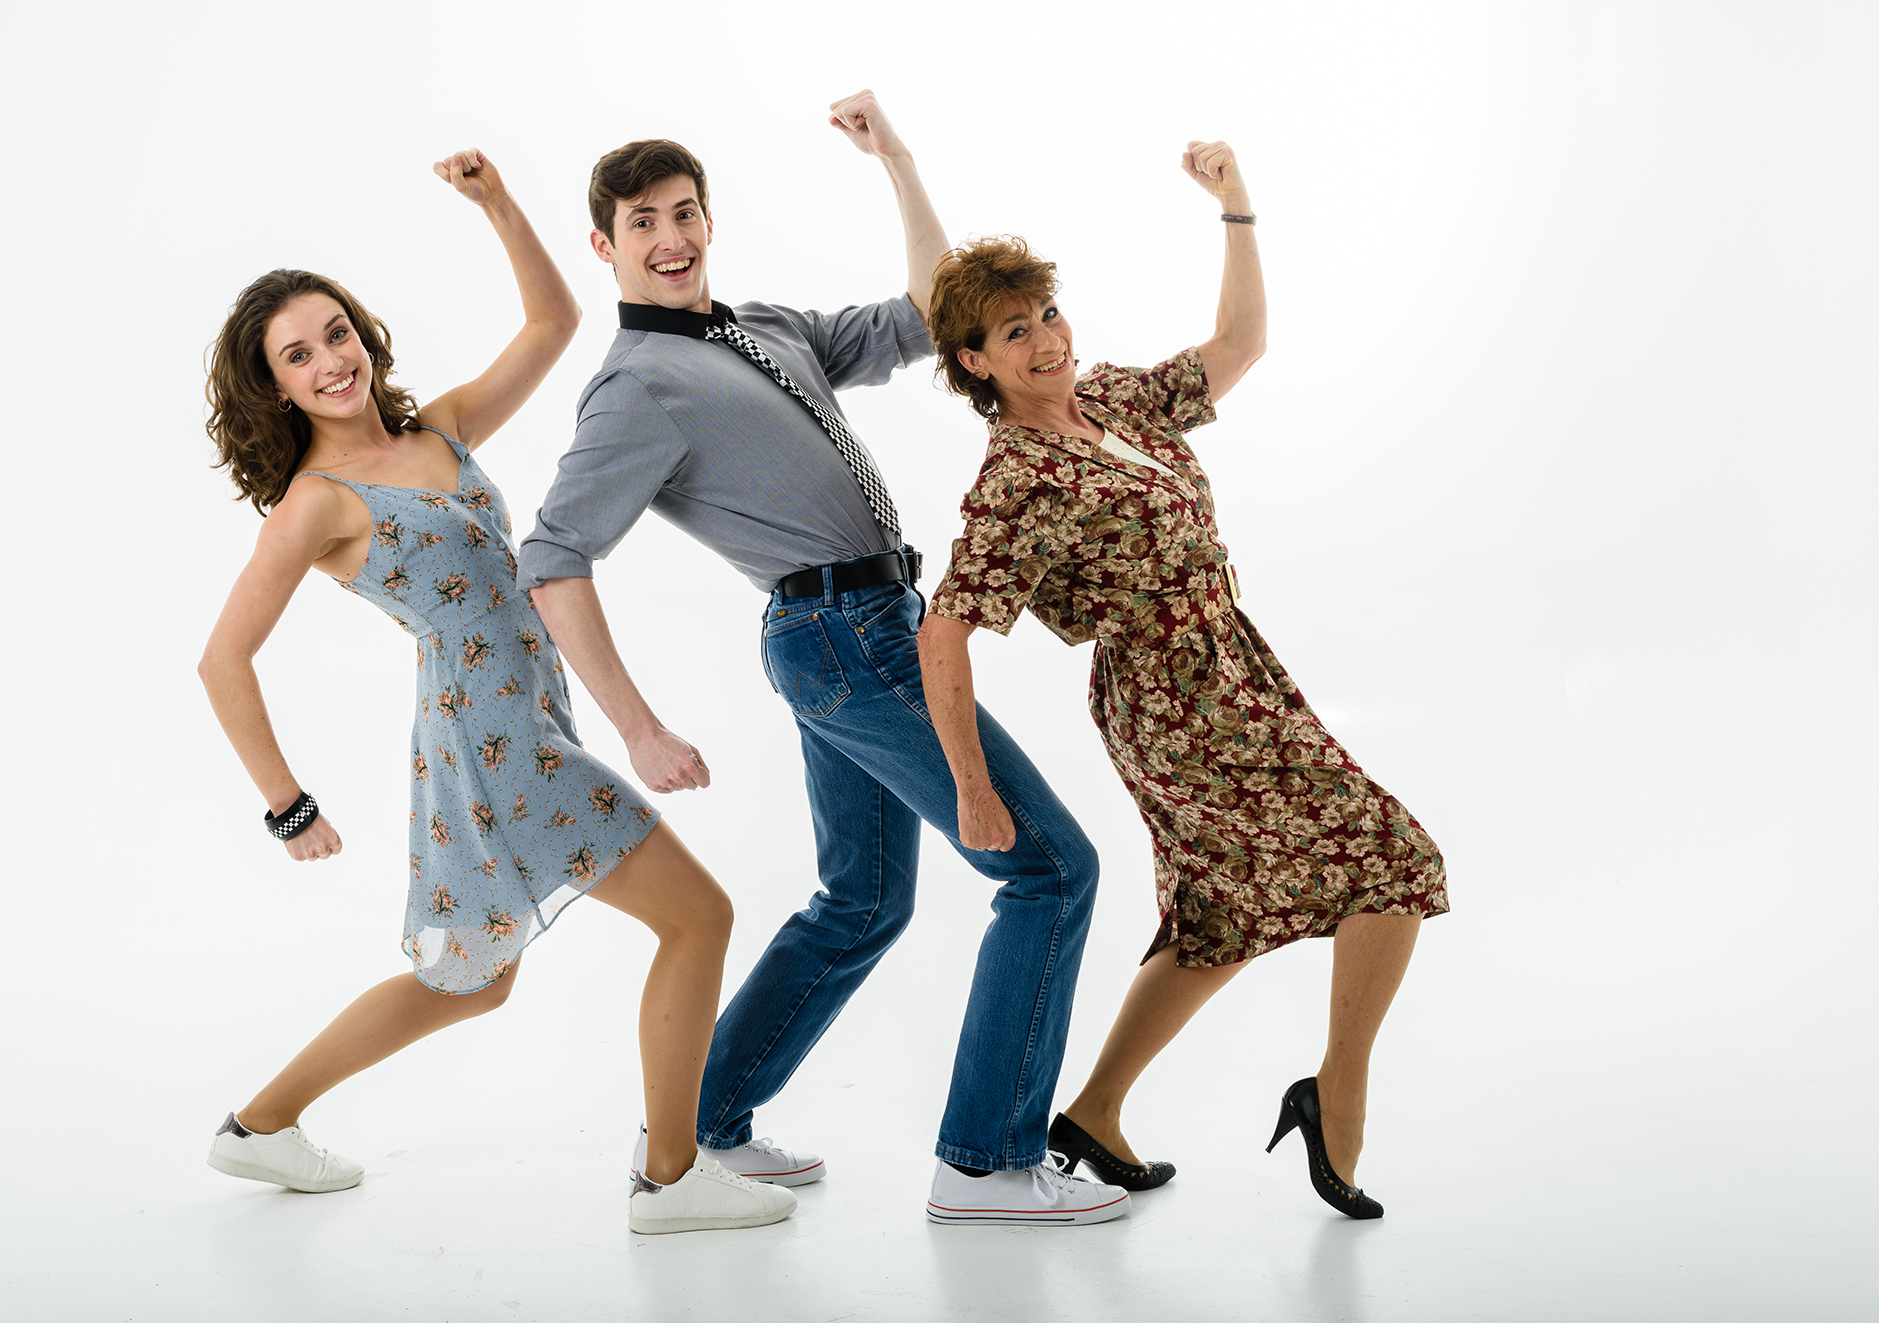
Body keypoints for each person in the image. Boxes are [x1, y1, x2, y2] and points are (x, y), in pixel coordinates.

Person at [519, 92, 1127, 1226]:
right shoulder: (636, 387)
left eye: (685, 211)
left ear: (710, 220)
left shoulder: (763, 327)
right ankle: (987, 1165)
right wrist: (638, 728)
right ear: (604, 246)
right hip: (845, 640)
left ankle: (699, 1128)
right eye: (642, 221)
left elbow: (923, 309)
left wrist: (898, 159)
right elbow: (552, 560)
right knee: (1049, 870)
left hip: (858, 632)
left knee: (862, 899)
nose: (670, 237)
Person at [196, 149, 794, 1235]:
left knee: (473, 981)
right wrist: (287, 804)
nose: (330, 361)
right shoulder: (313, 505)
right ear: (274, 386)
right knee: (699, 915)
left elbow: (553, 325)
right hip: (497, 744)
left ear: (361, 335)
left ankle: (259, 1127)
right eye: (299, 355)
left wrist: (498, 206)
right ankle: (670, 1180)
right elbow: (221, 660)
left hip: (517, 723)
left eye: (336, 334)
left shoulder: (440, 431)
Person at [917, 140, 1449, 1220]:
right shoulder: (1017, 477)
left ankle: (1094, 1115)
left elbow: (1241, 343)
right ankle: (1336, 1095)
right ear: (976, 362)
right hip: (1172, 700)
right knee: (1394, 861)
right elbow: (945, 631)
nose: (1044, 340)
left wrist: (1237, 207)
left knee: (1218, 916)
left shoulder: (1115, 402)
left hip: (1232, 661)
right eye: (1013, 332)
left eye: (1047, 314)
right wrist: (971, 785)